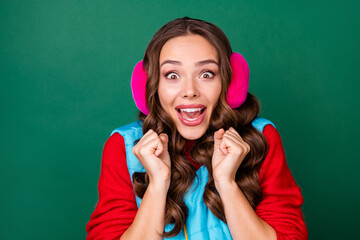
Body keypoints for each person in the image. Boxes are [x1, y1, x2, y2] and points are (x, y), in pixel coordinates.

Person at [86, 17, 308, 240]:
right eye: (172, 75)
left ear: (230, 83)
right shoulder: (123, 146)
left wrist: (227, 184)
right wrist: (157, 185)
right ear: (150, 85)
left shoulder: (260, 138)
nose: (190, 90)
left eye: (206, 74)